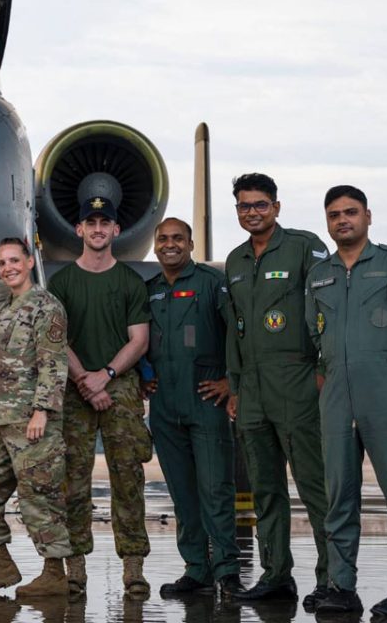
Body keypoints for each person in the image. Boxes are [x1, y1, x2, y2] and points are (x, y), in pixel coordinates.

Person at [306, 186, 387, 617]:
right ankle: (341, 586)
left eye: (350, 212)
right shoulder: (319, 273)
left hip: (384, 400)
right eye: (333, 214)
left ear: (367, 216)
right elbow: (315, 335)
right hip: (336, 401)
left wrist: (386, 360)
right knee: (338, 496)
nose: (342, 220)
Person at [223, 173, 329, 607]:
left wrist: (323, 371)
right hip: (252, 390)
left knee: (315, 486)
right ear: (238, 211)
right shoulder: (234, 261)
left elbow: (328, 307)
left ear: (277, 207)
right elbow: (235, 330)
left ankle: (332, 579)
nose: (253, 212)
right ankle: (276, 575)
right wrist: (234, 387)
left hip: (297, 382)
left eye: (260, 205)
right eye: (245, 206)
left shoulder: (305, 247)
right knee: (266, 490)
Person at [46, 196, 153, 597]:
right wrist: (85, 381)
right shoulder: (62, 284)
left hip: (120, 385)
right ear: (78, 230)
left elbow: (138, 341)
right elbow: (58, 340)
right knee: (73, 481)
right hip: (77, 390)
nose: (97, 229)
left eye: (104, 222)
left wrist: (105, 376)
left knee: (128, 478)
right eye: (90, 222)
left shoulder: (129, 282)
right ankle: (75, 569)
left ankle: (133, 568)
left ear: (115, 230)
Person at [0, 237, 71, 598]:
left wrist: (42, 410)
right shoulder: (4, 310)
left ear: (28, 262)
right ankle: (1, 565)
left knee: (38, 495)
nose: (8, 268)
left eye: (14, 261)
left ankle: (54, 572)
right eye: (2, 263)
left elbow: (53, 362)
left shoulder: (45, 306)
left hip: (31, 419)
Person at [144, 217, 243, 598]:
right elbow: (136, 336)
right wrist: (144, 373)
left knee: (216, 489)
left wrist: (231, 382)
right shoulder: (149, 290)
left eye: (178, 239)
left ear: (190, 244)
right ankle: (197, 569)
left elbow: (238, 332)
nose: (170, 245)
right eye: (163, 239)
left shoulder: (212, 283)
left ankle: (228, 570)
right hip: (165, 405)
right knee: (183, 494)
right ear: (155, 245)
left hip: (206, 400)